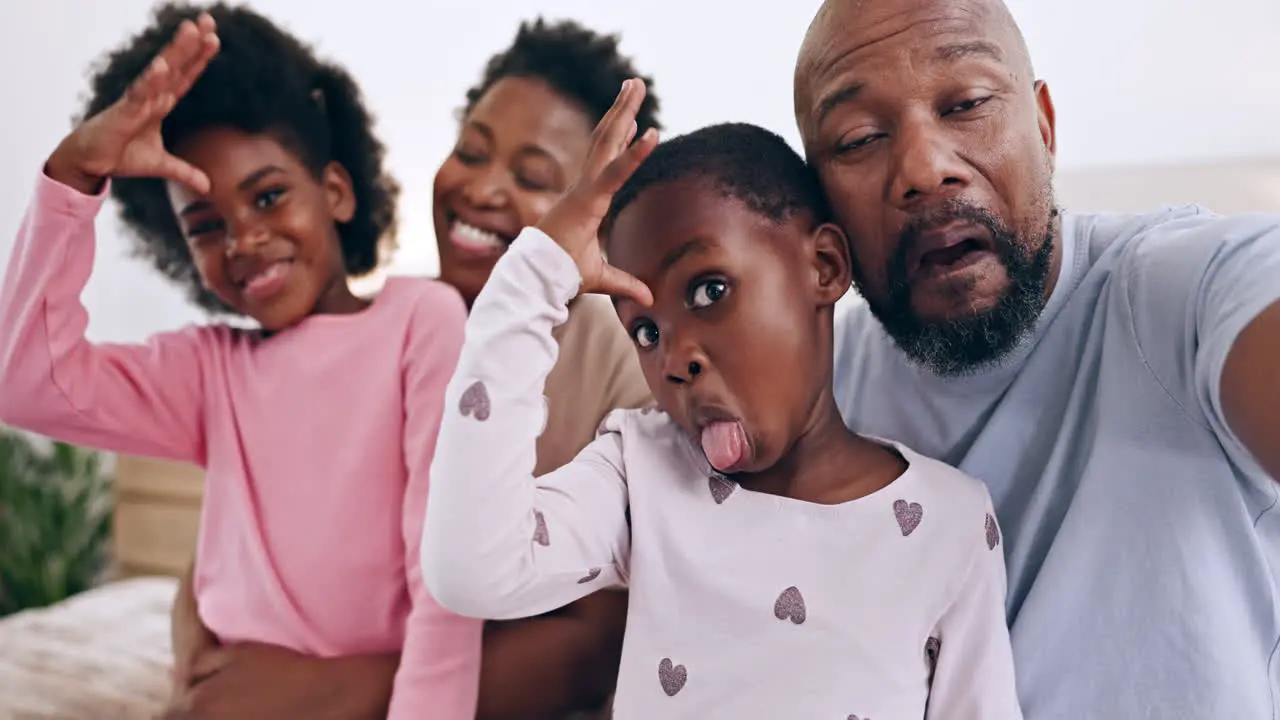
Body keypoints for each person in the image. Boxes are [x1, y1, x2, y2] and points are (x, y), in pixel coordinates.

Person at [423, 81, 1024, 719]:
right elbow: (472, 571)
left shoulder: (949, 524)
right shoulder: (640, 474)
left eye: (710, 291)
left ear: (823, 266)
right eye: (646, 331)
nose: (675, 357)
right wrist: (533, 279)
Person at [793, 0, 1280, 716]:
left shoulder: (1178, 293)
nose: (925, 170)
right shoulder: (813, 394)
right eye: (861, 138)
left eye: (966, 103)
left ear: (1045, 128)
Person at [167, 17, 659, 719]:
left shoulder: (622, 362)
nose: (483, 189)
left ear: (600, 220)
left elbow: (594, 641)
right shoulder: (375, 325)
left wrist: (338, 693)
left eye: (531, 177)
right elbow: (233, 540)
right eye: (472, 151)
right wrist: (200, 667)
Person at [0, 6, 482, 719]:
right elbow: (25, 383)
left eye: (268, 196)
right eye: (206, 226)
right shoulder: (209, 371)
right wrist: (75, 177)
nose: (244, 239)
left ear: (338, 192)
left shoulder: (421, 320)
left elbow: (440, 573)